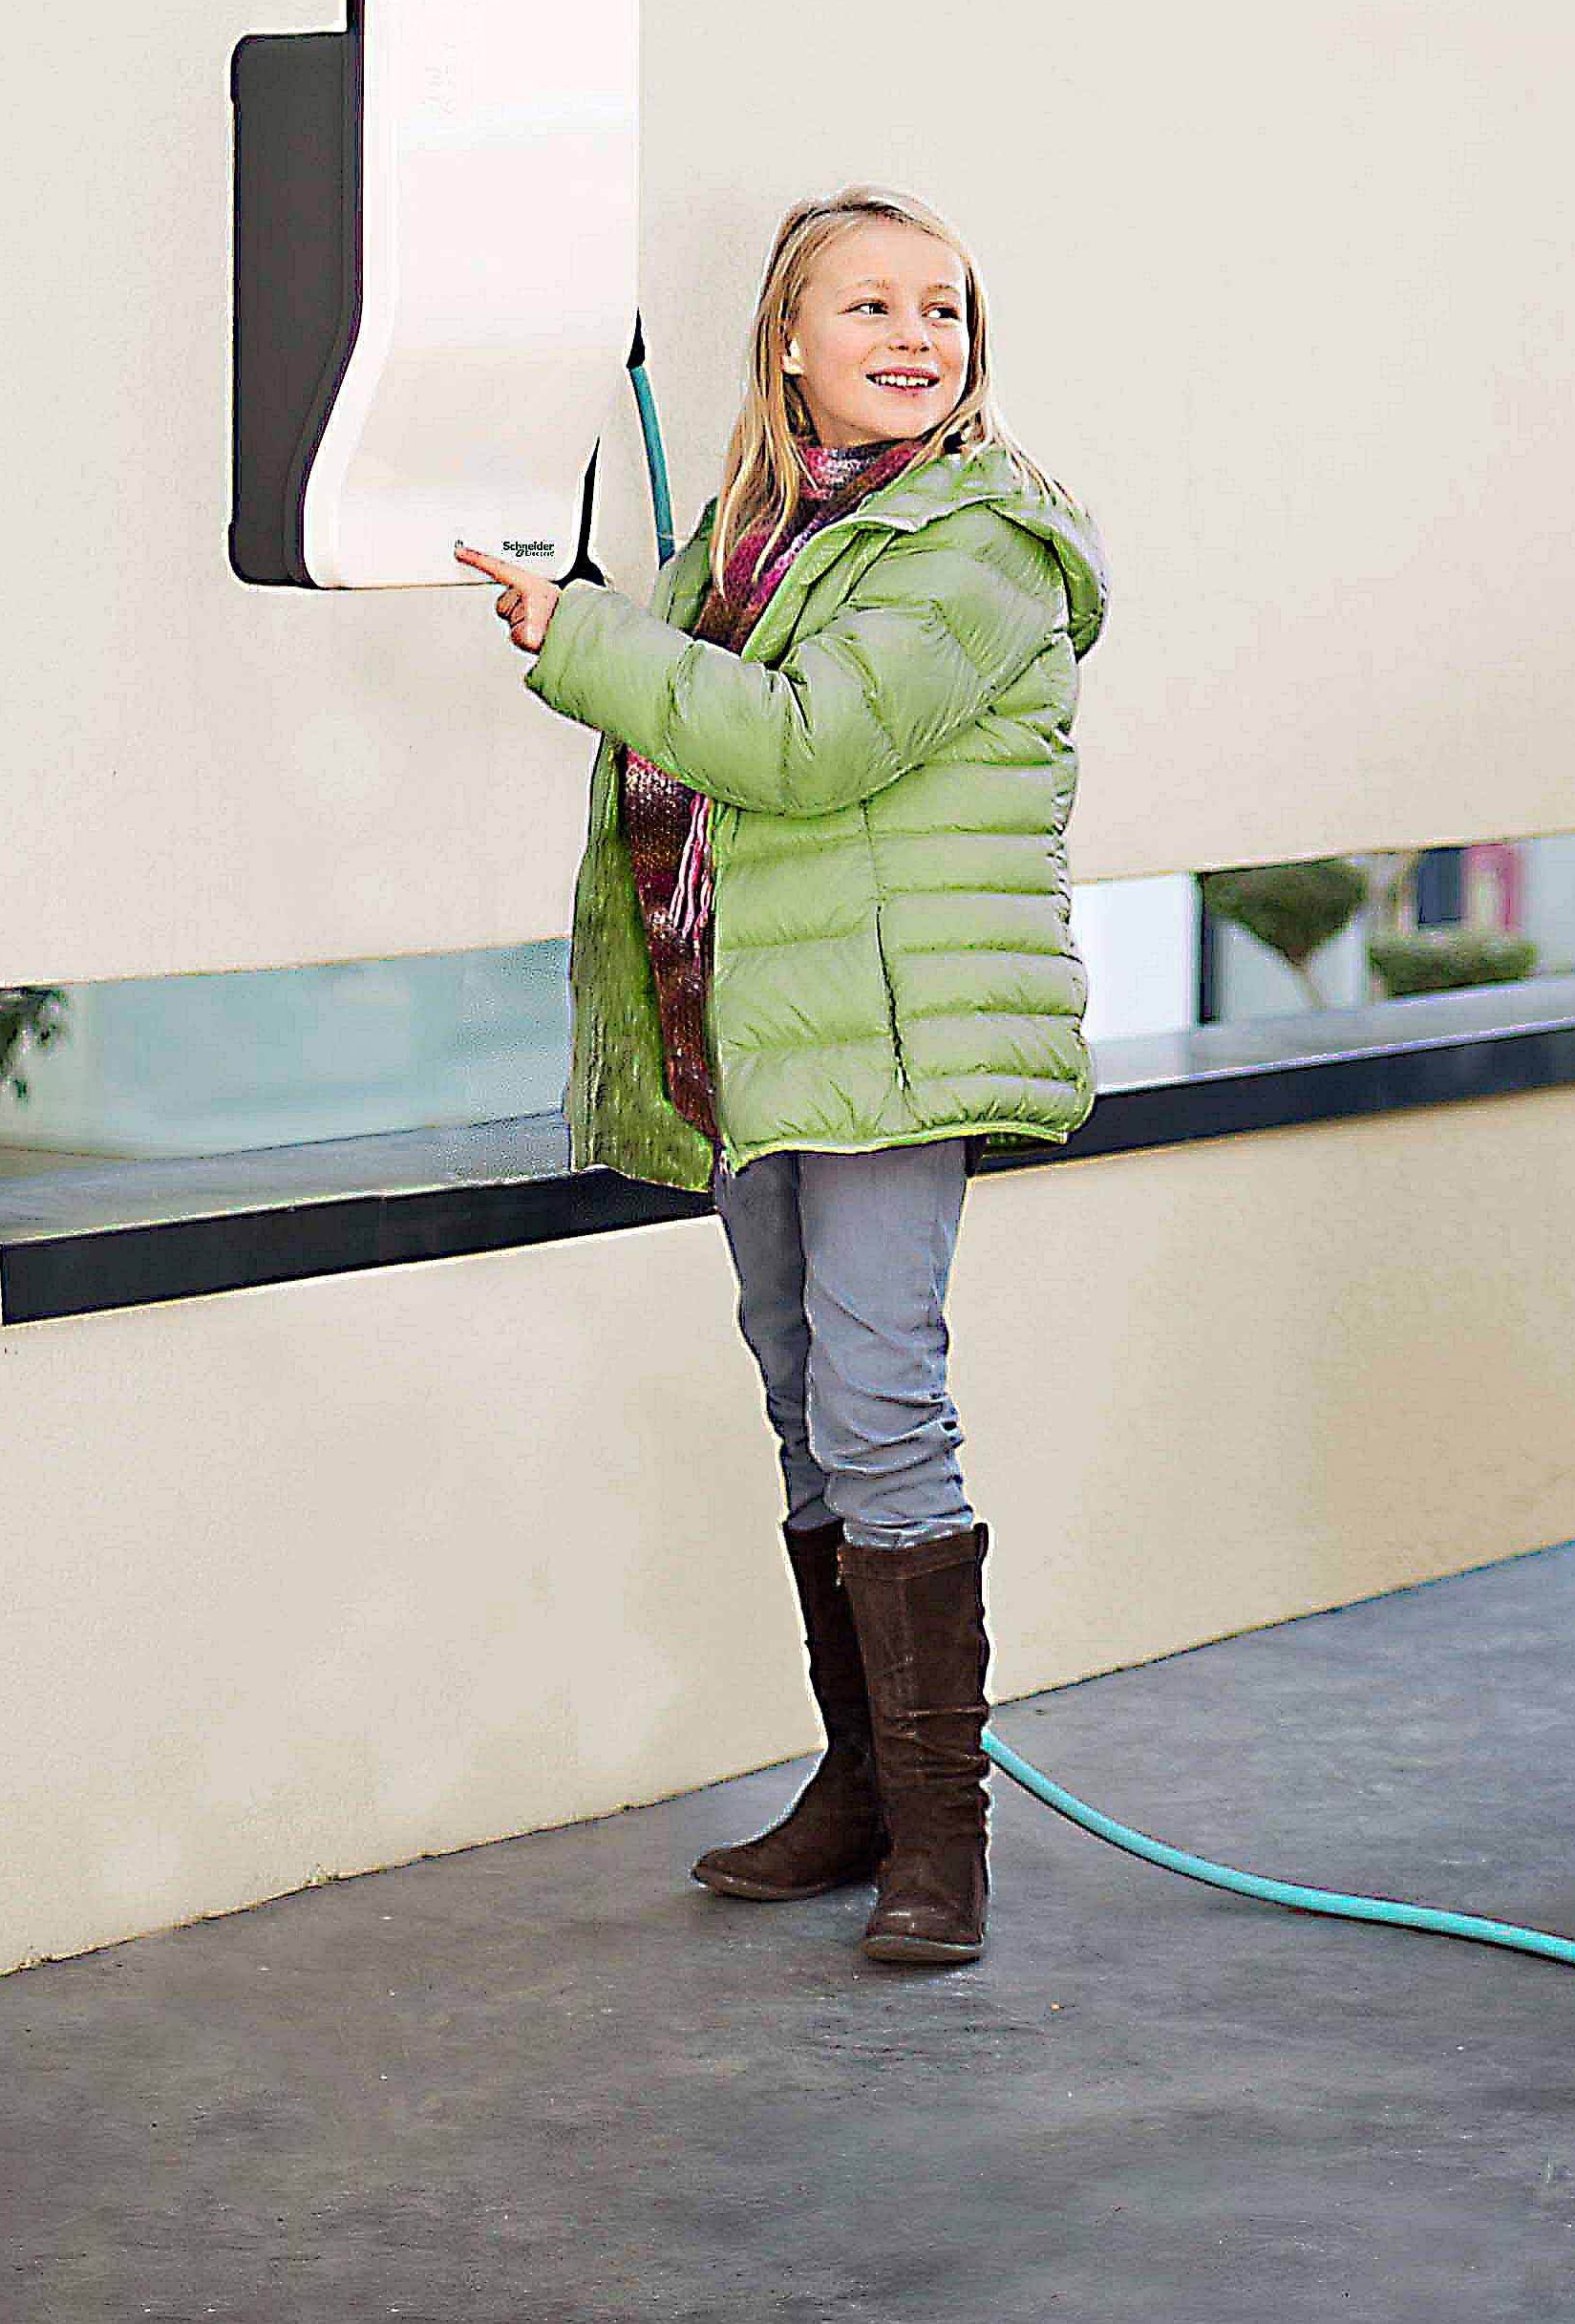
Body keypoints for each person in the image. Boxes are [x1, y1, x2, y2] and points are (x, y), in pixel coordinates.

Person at [456, 185, 1108, 1969]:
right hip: (749, 1034)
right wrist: (601, 616)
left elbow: (803, 747)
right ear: (789, 350)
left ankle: (945, 1853)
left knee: (882, 1399)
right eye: (876, 307)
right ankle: (861, 1789)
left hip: (890, 1048)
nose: (918, 338)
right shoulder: (752, 540)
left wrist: (579, 639)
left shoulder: (983, 544)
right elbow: (682, 711)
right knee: (802, 1386)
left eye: (946, 310)